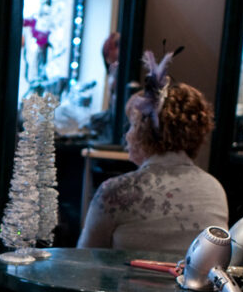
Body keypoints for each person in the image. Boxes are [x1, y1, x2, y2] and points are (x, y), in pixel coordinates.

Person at [77, 48, 228, 253]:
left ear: (144, 131)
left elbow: (83, 260)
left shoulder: (114, 192)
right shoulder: (215, 189)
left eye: (131, 125)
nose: (127, 135)